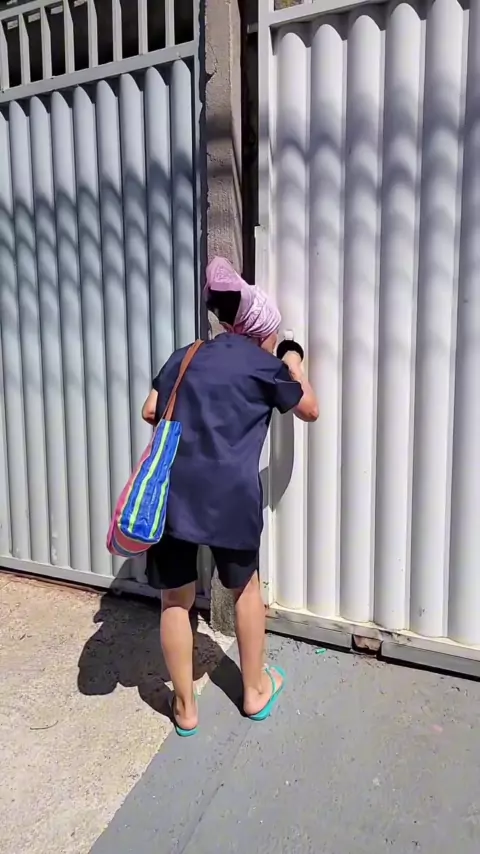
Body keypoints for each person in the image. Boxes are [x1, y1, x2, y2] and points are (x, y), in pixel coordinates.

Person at [141, 257, 319, 736]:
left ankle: (185, 708)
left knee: (175, 599)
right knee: (245, 590)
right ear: (261, 330)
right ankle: (254, 691)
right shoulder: (265, 366)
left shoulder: (187, 354)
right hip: (231, 498)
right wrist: (293, 360)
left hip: (175, 494)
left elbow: (150, 409)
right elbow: (309, 408)